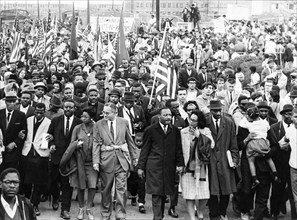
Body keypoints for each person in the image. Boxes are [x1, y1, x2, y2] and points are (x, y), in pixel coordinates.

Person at [137, 107, 184, 220]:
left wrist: (180, 164)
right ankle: (157, 217)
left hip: (169, 167)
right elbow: (145, 150)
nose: (168, 117)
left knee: (164, 193)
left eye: (170, 115)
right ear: (159, 117)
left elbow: (178, 149)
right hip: (154, 167)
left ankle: (159, 216)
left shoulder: (175, 131)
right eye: (165, 115)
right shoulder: (150, 130)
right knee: (156, 193)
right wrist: (140, 167)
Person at [92, 102, 137, 220]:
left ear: (115, 113)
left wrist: (134, 158)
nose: (104, 115)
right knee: (106, 189)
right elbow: (96, 143)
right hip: (106, 161)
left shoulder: (124, 122)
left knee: (121, 189)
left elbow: (130, 141)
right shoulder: (98, 124)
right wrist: (95, 161)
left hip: (121, 160)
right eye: (103, 112)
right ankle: (106, 213)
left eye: (107, 113)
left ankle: (120, 213)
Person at [60, 107, 97, 220]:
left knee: (92, 186)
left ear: (91, 117)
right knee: (81, 186)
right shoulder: (77, 128)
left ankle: (89, 209)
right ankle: (81, 209)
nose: (83, 118)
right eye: (82, 116)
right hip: (79, 161)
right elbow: (71, 144)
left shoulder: (96, 127)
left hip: (92, 162)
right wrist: (76, 144)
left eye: (86, 116)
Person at [47, 99, 82, 219]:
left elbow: (81, 138)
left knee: (67, 185)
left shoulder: (79, 122)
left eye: (71, 107)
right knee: (53, 181)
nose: (68, 109)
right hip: (56, 156)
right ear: (63, 108)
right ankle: (55, 198)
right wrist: (51, 144)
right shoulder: (56, 120)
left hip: (71, 158)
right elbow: (49, 135)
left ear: (74, 109)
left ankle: (65, 210)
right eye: (66, 107)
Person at [207, 99, 239, 220]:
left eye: (219, 110)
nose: (218, 113)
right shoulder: (206, 121)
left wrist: (235, 160)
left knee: (226, 189)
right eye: (215, 110)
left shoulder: (229, 122)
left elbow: (233, 143)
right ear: (210, 111)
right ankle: (213, 214)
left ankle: (222, 211)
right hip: (210, 160)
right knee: (212, 189)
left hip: (226, 160)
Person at [180, 110, 214, 220]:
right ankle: (192, 218)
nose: (191, 122)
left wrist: (199, 136)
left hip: (201, 167)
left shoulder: (206, 131)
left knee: (203, 194)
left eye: (194, 120)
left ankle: (200, 211)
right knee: (189, 195)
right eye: (190, 119)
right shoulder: (183, 132)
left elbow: (211, 145)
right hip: (188, 166)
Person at [21, 103, 51, 216]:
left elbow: (50, 135)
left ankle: (35, 205)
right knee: (26, 181)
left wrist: (51, 138)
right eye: (37, 112)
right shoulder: (28, 120)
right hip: (27, 152)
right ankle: (26, 203)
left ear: (45, 111)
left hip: (40, 153)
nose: (38, 114)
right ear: (34, 111)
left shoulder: (48, 122)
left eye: (41, 112)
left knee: (38, 181)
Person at [268, 104, 297, 220]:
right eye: (288, 114)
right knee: (277, 188)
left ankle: (293, 215)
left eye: (292, 114)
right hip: (279, 164)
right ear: (283, 115)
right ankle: (274, 212)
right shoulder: (275, 127)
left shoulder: (292, 128)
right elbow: (276, 144)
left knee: (292, 192)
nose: (290, 117)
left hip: (292, 164)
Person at [239, 106, 279, 189]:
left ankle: (254, 178)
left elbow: (242, 124)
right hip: (263, 143)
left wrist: (244, 119)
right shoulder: (265, 123)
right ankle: (275, 173)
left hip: (253, 145)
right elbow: (268, 128)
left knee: (251, 160)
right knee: (269, 159)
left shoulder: (250, 125)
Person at [0, 92, 27, 173]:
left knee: (10, 172)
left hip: (13, 151)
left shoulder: (20, 115)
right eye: (9, 102)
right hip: (0, 150)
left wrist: (15, 143)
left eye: (13, 102)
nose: (11, 104)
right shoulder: (0, 113)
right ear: (5, 102)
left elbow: (24, 133)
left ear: (16, 102)